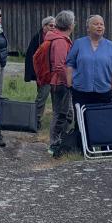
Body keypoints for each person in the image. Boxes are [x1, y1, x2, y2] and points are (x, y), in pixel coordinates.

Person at [65, 14, 112, 107]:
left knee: (102, 115)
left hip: (104, 91)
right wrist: (69, 83)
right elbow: (70, 63)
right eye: (96, 24)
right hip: (81, 91)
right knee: (81, 116)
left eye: (101, 24)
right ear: (88, 28)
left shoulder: (111, 46)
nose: (99, 26)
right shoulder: (79, 43)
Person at [44, 10, 75, 158]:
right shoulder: (61, 41)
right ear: (70, 25)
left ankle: (62, 141)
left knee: (67, 114)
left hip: (60, 82)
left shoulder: (58, 38)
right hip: (61, 83)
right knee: (61, 115)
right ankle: (55, 144)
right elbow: (59, 65)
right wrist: (70, 82)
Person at [24, 16, 55, 129]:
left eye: (55, 26)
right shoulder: (37, 38)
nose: (53, 28)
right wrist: (34, 75)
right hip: (43, 74)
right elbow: (31, 57)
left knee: (57, 99)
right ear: (44, 26)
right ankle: (35, 120)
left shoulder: (56, 38)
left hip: (54, 73)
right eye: (51, 25)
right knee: (42, 97)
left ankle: (57, 122)